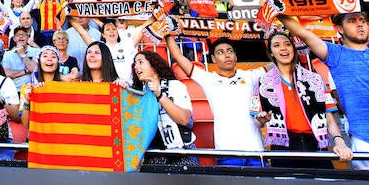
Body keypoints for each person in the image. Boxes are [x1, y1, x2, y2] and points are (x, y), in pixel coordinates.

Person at [279, 7, 369, 171]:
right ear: (339, 29)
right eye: (352, 21)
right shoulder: (335, 54)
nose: (360, 25)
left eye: (362, 20)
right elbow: (304, 34)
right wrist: (277, 11)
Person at [253, 32, 351, 168]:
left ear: (294, 48)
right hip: (282, 147)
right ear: (271, 52)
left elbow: (328, 117)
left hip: (316, 145)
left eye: (287, 44)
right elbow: (257, 121)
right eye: (277, 45)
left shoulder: (314, 79)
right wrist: (261, 120)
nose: (283, 48)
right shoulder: (263, 82)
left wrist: (339, 140)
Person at [166, 34, 266, 166]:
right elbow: (179, 57)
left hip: (256, 151)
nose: (227, 55)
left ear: (236, 56)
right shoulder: (208, 79)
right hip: (227, 153)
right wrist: (167, 33)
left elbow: (279, 64)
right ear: (213, 58)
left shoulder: (251, 76)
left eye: (230, 51)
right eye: (221, 52)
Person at [131, 51, 198, 166]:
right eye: (135, 64)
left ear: (154, 66)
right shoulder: (137, 94)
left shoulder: (175, 86)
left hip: (182, 153)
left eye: (140, 62)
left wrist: (160, 95)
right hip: (152, 155)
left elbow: (184, 119)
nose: (136, 66)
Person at [1, 26, 40, 90]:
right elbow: (6, 73)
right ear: (14, 39)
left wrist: (23, 55)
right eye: (18, 35)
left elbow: (35, 70)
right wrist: (26, 71)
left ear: (28, 38)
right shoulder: (8, 54)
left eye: (24, 35)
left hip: (34, 88)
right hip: (15, 90)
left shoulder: (36, 51)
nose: (21, 37)